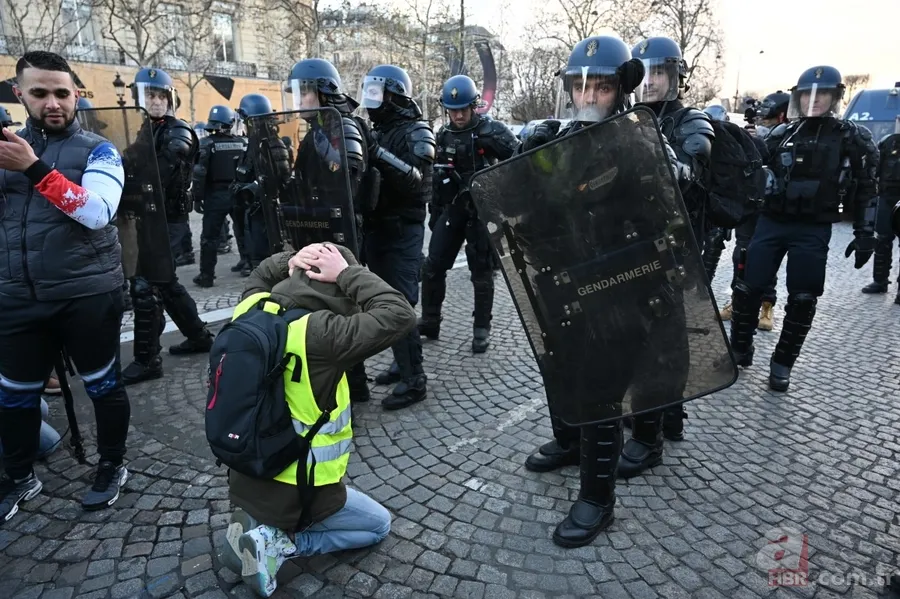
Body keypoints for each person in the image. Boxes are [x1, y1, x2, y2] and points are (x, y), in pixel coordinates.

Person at [518, 35, 690, 547]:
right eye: (581, 85)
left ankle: (597, 499)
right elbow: (531, 210)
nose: (590, 96)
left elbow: (668, 223)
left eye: (602, 87)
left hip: (623, 287)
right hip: (566, 282)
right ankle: (570, 442)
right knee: (561, 368)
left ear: (621, 91)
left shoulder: (638, 141)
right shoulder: (556, 139)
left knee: (600, 390)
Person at [222, 243, 416, 597]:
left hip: (248, 466)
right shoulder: (323, 333)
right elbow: (399, 314)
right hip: (300, 487)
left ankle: (254, 525)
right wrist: (347, 272)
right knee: (378, 525)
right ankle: (280, 542)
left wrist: (288, 259)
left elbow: (260, 274)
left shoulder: (250, 308)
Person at [0, 51, 131, 521]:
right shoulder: (6, 147)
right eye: (40, 93)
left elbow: (97, 213)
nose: (53, 103)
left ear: (76, 93)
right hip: (17, 296)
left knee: (103, 386)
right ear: (21, 95)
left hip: (87, 293)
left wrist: (34, 168)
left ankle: (112, 463)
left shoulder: (99, 149)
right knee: (13, 393)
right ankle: (18, 475)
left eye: (62, 92)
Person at [726, 65, 878, 391]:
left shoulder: (850, 136)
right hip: (772, 220)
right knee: (748, 287)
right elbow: (754, 174)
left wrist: (866, 232)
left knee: (804, 296)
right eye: (808, 94)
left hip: (813, 227)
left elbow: (867, 186)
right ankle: (740, 348)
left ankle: (782, 362)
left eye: (821, 94)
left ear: (835, 96)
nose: (814, 101)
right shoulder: (783, 134)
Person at [617, 36, 715, 477]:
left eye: (661, 72)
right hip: (627, 246)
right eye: (646, 72)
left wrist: (661, 158)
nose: (653, 81)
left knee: (665, 340)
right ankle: (647, 412)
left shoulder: (691, 122)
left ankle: (651, 432)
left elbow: (690, 172)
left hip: (676, 247)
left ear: (677, 76)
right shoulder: (623, 118)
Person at [280, 58, 373, 403]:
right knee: (324, 306)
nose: (299, 99)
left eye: (304, 92)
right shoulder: (316, 130)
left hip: (340, 232)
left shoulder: (342, 126)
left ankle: (354, 386)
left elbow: (349, 174)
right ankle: (348, 383)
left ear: (321, 92)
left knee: (341, 308)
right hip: (316, 228)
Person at [121, 67, 214, 385]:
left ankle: (147, 360)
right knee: (167, 284)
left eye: (161, 95)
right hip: (148, 216)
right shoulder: (146, 131)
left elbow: (158, 174)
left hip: (168, 219)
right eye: (149, 95)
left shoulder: (177, 132)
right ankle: (199, 336)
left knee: (147, 285)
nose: (156, 101)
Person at [419, 74, 519, 353]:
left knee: (481, 272)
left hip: (481, 213)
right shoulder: (443, 134)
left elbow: (519, 161)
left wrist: (501, 195)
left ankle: (481, 329)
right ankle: (430, 320)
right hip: (452, 210)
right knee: (432, 267)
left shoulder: (491, 131)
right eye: (453, 110)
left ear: (474, 106)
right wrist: (435, 213)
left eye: (463, 108)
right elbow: (438, 176)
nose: (459, 114)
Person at [359, 65, 436, 410]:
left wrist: (377, 152)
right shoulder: (375, 131)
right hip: (377, 226)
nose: (371, 101)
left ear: (394, 96)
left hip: (403, 227)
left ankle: (414, 380)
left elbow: (418, 182)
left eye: (377, 93)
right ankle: (400, 361)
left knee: (401, 302)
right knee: (383, 302)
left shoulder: (417, 130)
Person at [719, 92, 785, 330]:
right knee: (741, 255)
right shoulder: (755, 133)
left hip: (772, 209)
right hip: (749, 202)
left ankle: (767, 306)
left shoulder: (788, 137)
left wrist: (765, 142)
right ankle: (736, 301)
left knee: (767, 259)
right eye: (760, 118)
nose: (762, 122)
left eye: (766, 119)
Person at [192, 105, 247, 288]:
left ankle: (206, 275)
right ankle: (247, 264)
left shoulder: (206, 144)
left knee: (210, 237)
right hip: (237, 192)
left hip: (215, 195)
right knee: (242, 230)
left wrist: (197, 198)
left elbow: (199, 173)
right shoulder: (241, 142)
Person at [861, 115, 900, 302]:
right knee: (883, 239)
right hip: (887, 196)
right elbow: (875, 167)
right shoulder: (888, 142)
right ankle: (880, 281)